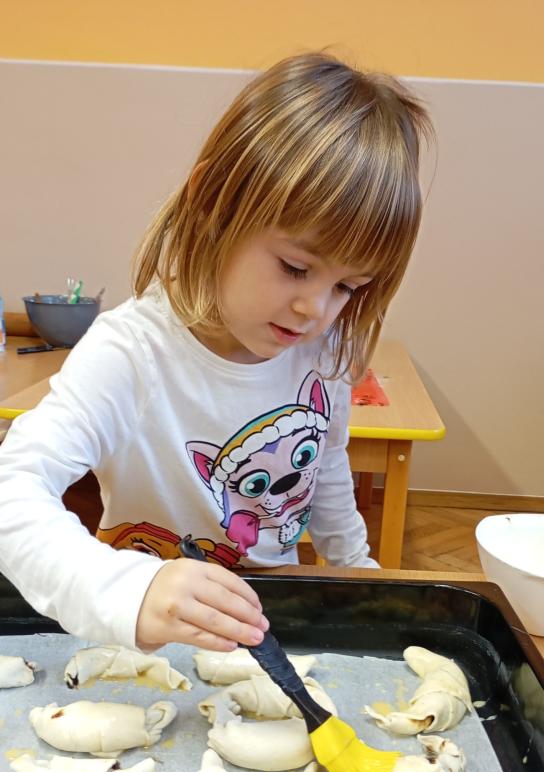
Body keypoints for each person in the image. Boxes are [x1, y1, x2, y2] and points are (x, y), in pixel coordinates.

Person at [0, 52, 431, 655]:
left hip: (268, 619)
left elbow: (327, 467)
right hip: (145, 633)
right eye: (295, 267)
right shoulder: (133, 353)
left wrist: (355, 568)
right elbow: (12, 487)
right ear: (213, 203)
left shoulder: (320, 348)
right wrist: (123, 590)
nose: (315, 309)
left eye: (347, 287)